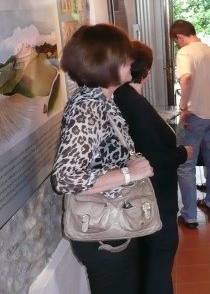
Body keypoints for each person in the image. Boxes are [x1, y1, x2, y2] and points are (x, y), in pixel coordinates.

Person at [51, 24, 154, 294]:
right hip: (102, 229)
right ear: (106, 63)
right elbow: (66, 178)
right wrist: (129, 174)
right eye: (123, 57)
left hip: (112, 220)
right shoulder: (88, 107)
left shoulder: (101, 98)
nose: (130, 61)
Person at [113, 40, 192, 294]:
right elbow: (152, 159)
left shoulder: (119, 97)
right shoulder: (132, 102)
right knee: (159, 259)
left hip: (140, 197)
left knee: (149, 261)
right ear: (145, 70)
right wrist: (183, 153)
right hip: (154, 198)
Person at [170, 19, 210, 228]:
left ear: (179, 37)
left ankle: (189, 215)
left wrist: (184, 106)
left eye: (176, 41)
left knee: (186, 165)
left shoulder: (185, 53)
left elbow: (185, 78)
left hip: (194, 116)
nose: (177, 45)